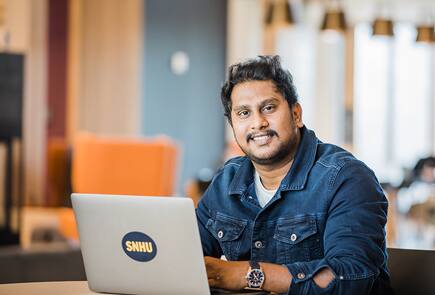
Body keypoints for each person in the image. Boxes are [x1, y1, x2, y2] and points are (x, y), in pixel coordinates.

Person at [196, 55, 391, 294]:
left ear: (296, 114)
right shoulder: (226, 182)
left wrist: (244, 274)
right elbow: (187, 259)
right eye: (244, 113)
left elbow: (350, 278)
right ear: (233, 124)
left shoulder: (346, 178)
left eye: (268, 108)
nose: (258, 123)